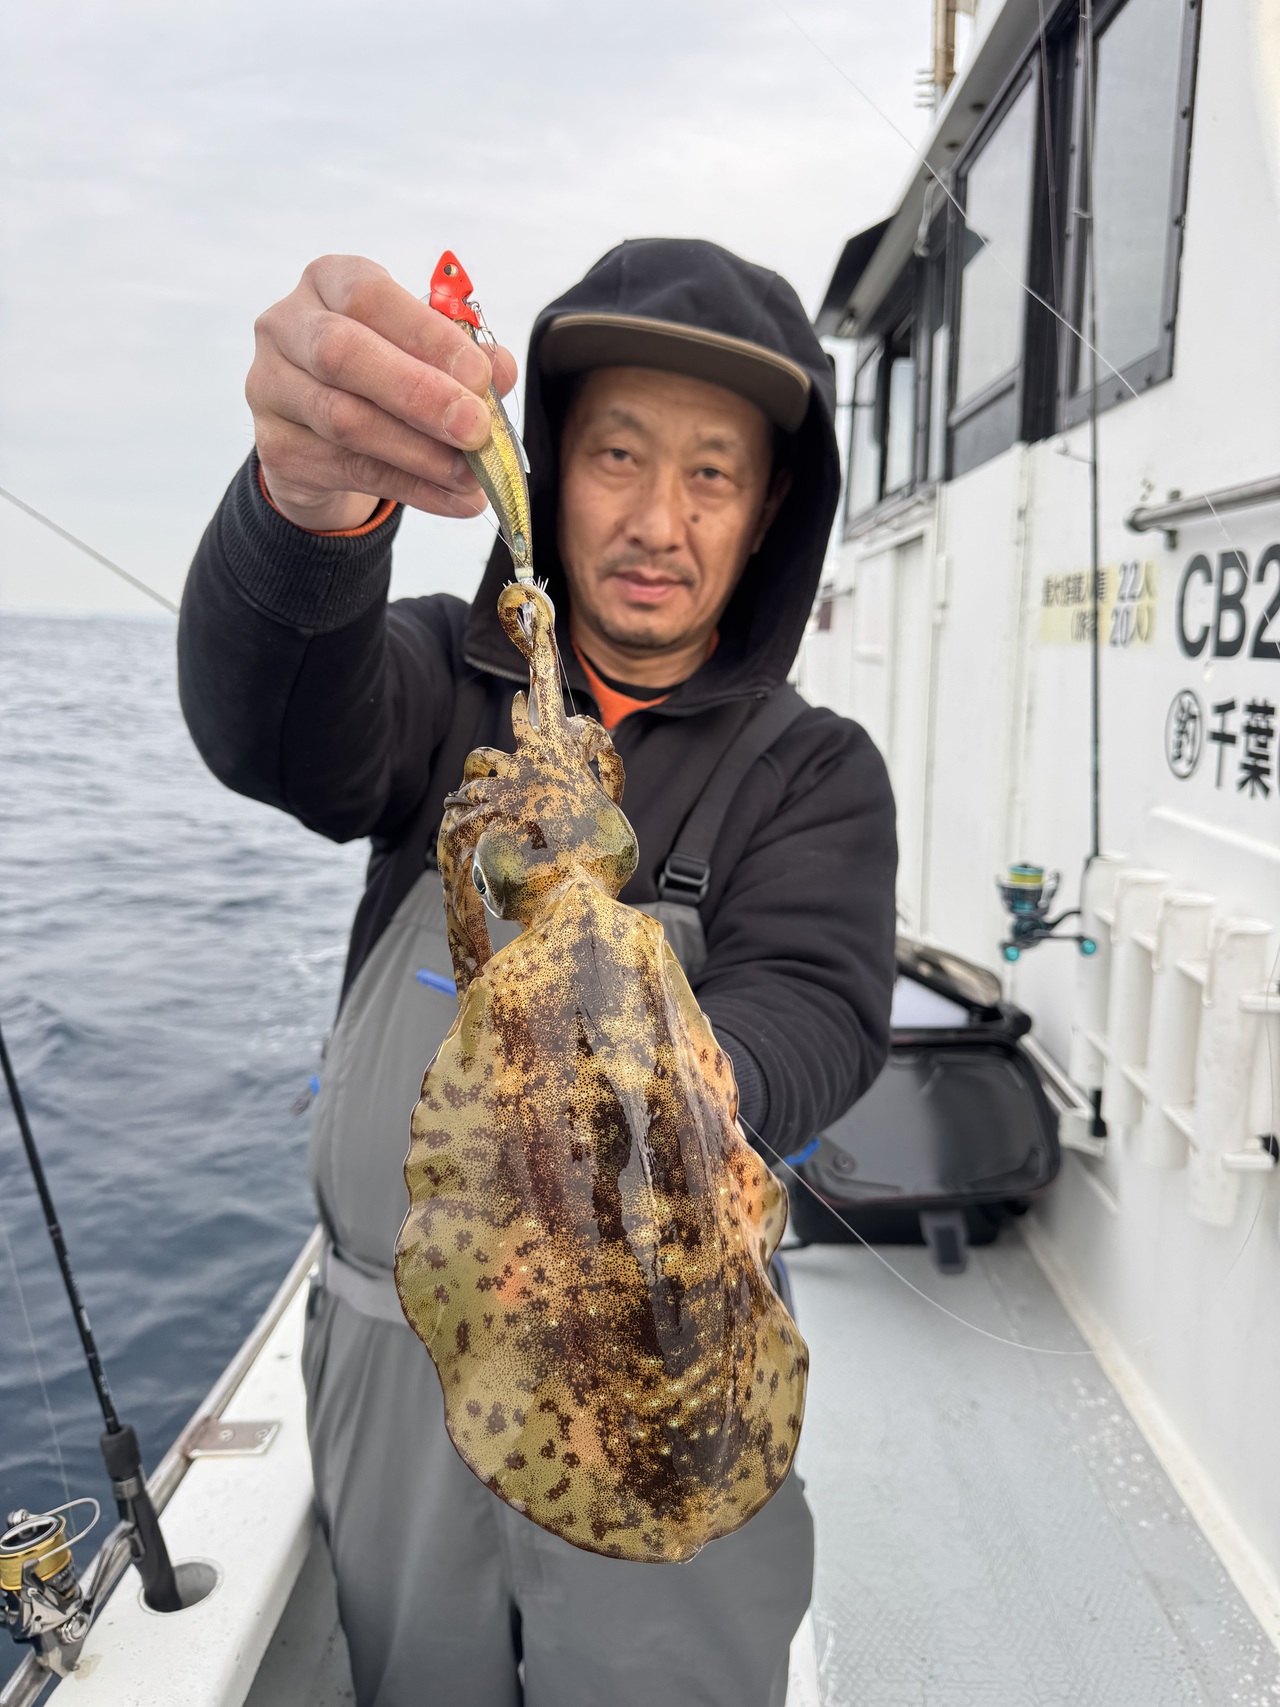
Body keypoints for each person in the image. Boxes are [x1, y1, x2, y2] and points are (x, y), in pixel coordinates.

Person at [178, 237, 897, 1707]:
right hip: (401, 1365)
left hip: (672, 1345)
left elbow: (821, 1002)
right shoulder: (441, 684)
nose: (657, 518)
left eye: (712, 473)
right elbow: (275, 730)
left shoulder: (812, 769)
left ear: (769, 509)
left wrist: (666, 1089)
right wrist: (309, 516)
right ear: (553, 467)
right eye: (617, 454)